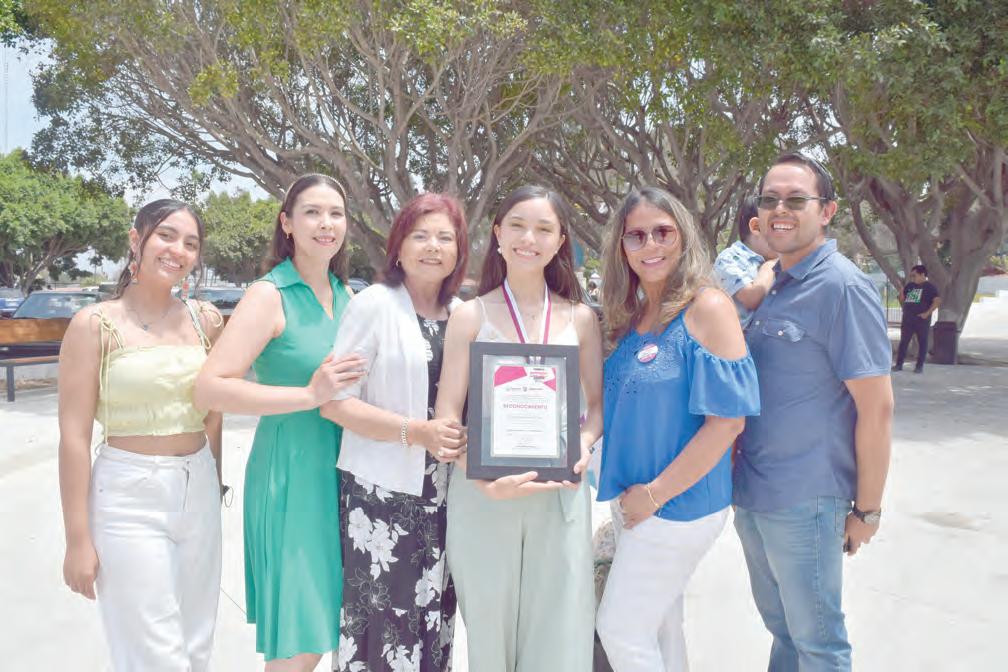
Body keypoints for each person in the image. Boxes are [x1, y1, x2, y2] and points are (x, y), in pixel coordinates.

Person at [194, 174, 365, 671]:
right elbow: (209, 388)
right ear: (286, 223)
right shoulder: (268, 295)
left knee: (335, 624)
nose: (326, 224)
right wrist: (309, 395)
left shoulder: (347, 295)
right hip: (293, 471)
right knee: (301, 638)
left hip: (347, 472)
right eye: (312, 212)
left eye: (336, 213)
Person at [733, 153, 894, 671]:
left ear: (826, 211)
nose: (780, 209)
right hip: (753, 493)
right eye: (769, 199)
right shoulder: (768, 285)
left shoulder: (842, 287)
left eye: (796, 199)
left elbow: (877, 409)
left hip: (806, 499)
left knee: (819, 644)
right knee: (784, 632)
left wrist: (867, 510)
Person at [435, 185, 604, 671]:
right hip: (485, 497)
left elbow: (596, 408)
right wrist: (480, 475)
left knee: (558, 638)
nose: (529, 239)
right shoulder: (470, 316)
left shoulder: (581, 319)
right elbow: (447, 416)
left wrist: (584, 444)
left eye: (544, 229)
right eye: (517, 226)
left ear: (561, 241)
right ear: (497, 233)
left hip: (559, 493)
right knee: (490, 639)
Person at [593, 187, 760, 671]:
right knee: (661, 627)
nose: (651, 245)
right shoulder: (634, 314)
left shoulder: (708, 307)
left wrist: (655, 495)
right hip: (637, 502)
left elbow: (727, 424)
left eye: (663, 232)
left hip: (677, 505)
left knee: (621, 630)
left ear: (683, 236)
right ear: (621, 247)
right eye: (636, 236)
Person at [58, 199, 225, 670]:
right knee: (155, 656)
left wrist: (215, 486)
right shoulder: (95, 324)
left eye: (190, 243)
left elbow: (214, 417)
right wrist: (77, 538)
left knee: (195, 645)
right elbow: (73, 436)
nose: (178, 250)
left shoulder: (206, 320)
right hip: (127, 496)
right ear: (136, 240)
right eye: (166, 236)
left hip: (199, 488)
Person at [320, 193, 469, 671]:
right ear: (398, 247)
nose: (433, 247)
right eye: (420, 235)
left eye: (445, 237)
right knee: (383, 627)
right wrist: (415, 432)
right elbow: (335, 403)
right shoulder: (373, 305)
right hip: (382, 498)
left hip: (445, 496)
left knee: (432, 620)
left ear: (459, 250)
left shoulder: (463, 314)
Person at [712, 195, 778, 327]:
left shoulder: (780, 263)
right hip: (735, 337)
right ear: (756, 227)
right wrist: (769, 266)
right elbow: (751, 297)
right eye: (778, 227)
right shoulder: (729, 259)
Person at [893, 264, 940, 373]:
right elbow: (902, 300)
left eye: (914, 275)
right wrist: (901, 293)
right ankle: (899, 364)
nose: (913, 278)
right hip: (908, 319)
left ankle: (919, 366)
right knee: (904, 342)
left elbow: (937, 301)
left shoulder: (929, 287)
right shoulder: (910, 286)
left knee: (922, 342)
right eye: (911, 276)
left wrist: (927, 313)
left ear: (922, 274)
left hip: (921, 320)